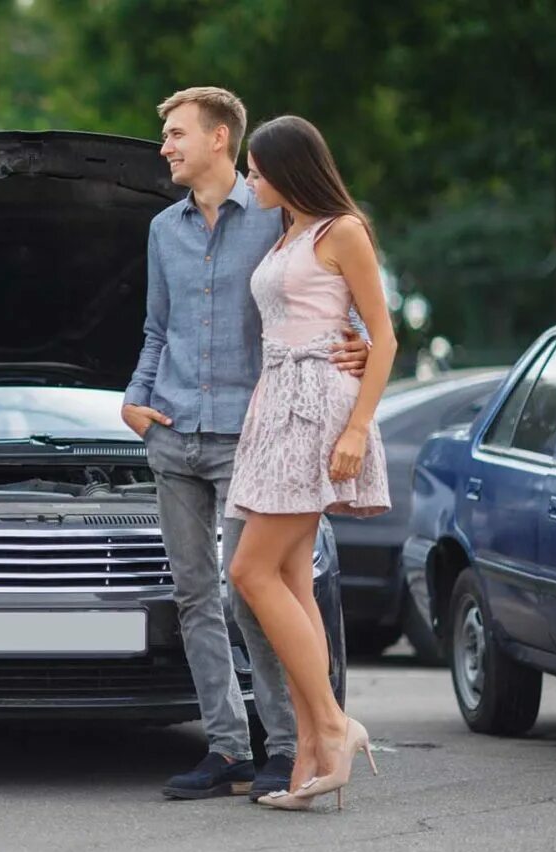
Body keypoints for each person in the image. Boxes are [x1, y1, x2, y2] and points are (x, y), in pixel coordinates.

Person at [122, 87, 370, 802]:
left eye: (175, 134)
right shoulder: (162, 229)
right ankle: (227, 748)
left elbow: (326, 293)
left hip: (255, 435)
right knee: (195, 595)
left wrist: (350, 346)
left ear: (220, 138)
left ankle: (289, 740)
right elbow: (156, 329)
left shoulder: (273, 215)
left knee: (250, 593)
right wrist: (136, 399)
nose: (164, 146)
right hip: (173, 433)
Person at [226, 114, 393, 811]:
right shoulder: (285, 233)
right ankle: (311, 757)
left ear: (290, 169)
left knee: (249, 572)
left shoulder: (341, 230)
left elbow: (382, 339)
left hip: (316, 408)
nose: (251, 179)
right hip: (273, 406)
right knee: (290, 578)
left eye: (258, 169)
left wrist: (356, 428)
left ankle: (334, 722)